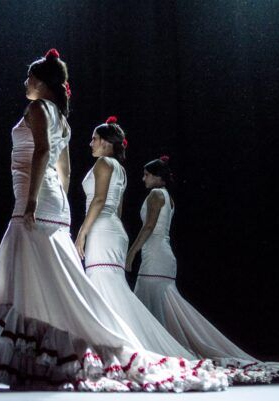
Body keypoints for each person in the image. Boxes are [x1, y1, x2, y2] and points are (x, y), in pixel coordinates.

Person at [0, 50, 227, 392]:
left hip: (36, 197)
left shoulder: (38, 109)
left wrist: (34, 198)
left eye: (29, 78)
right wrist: (59, 202)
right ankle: (39, 356)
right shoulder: (62, 120)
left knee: (35, 273)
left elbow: (41, 153)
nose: (25, 83)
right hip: (52, 201)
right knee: (45, 276)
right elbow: (63, 170)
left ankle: (74, 344)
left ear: (41, 82)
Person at [127, 156, 279, 383]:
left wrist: (132, 251)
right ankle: (158, 347)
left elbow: (149, 226)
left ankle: (157, 348)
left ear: (157, 176)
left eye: (146, 174)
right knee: (156, 305)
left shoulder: (156, 194)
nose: (143, 178)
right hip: (160, 255)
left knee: (149, 303)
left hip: (154, 256)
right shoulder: (168, 197)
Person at [74, 117, 196, 360]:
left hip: (101, 228)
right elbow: (117, 208)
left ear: (107, 142)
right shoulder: (120, 169)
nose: (90, 143)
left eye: (94, 138)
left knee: (101, 286)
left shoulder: (103, 164)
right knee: (112, 287)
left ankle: (110, 347)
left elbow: (98, 200)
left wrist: (82, 233)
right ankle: (120, 342)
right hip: (115, 230)